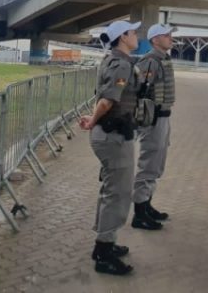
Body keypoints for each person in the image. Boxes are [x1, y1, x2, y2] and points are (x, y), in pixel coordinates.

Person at [78, 20, 160, 277]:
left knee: (111, 190)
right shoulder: (122, 63)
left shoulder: (114, 59)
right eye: (133, 32)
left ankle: (105, 243)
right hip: (113, 137)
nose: (137, 35)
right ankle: (103, 252)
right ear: (123, 37)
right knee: (119, 194)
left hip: (112, 134)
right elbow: (107, 100)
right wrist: (92, 120)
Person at [132, 23, 176, 225]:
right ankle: (140, 214)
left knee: (157, 164)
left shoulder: (163, 59)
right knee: (149, 163)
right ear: (155, 40)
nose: (170, 38)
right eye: (166, 35)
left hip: (163, 117)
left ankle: (147, 205)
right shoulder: (150, 61)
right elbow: (139, 91)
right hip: (153, 119)